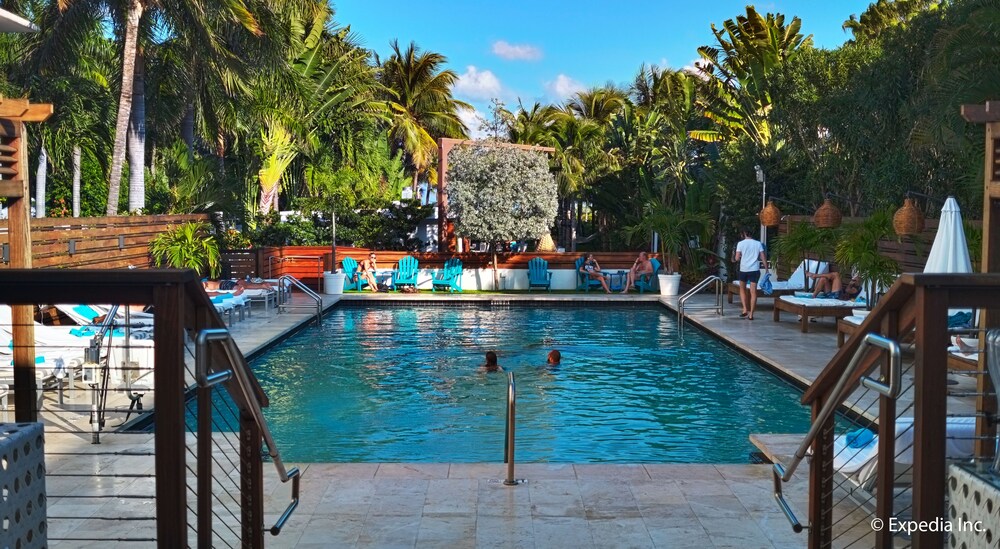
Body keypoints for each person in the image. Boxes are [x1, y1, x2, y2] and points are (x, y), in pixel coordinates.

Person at [733, 228, 768, 320]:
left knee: (742, 290)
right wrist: (766, 269)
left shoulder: (740, 244)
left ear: (744, 233)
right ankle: (751, 314)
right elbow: (763, 257)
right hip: (754, 270)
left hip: (744, 269)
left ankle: (745, 309)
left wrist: (738, 257)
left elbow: (736, 258)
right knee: (753, 292)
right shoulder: (758, 243)